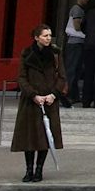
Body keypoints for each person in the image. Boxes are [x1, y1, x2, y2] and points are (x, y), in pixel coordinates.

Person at [12, 23, 65, 182]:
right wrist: (33, 94)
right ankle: (29, 169)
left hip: (49, 100)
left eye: (49, 35)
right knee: (29, 136)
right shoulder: (27, 54)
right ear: (36, 37)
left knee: (45, 136)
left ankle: (39, 170)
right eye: (45, 35)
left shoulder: (55, 54)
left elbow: (62, 77)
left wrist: (53, 95)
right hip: (31, 101)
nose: (48, 38)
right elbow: (21, 77)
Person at [62, 0, 88, 108]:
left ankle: (74, 94)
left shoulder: (78, 9)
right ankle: (68, 94)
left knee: (76, 70)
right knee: (72, 69)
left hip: (77, 43)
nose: (88, 0)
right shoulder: (77, 9)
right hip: (75, 43)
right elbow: (77, 26)